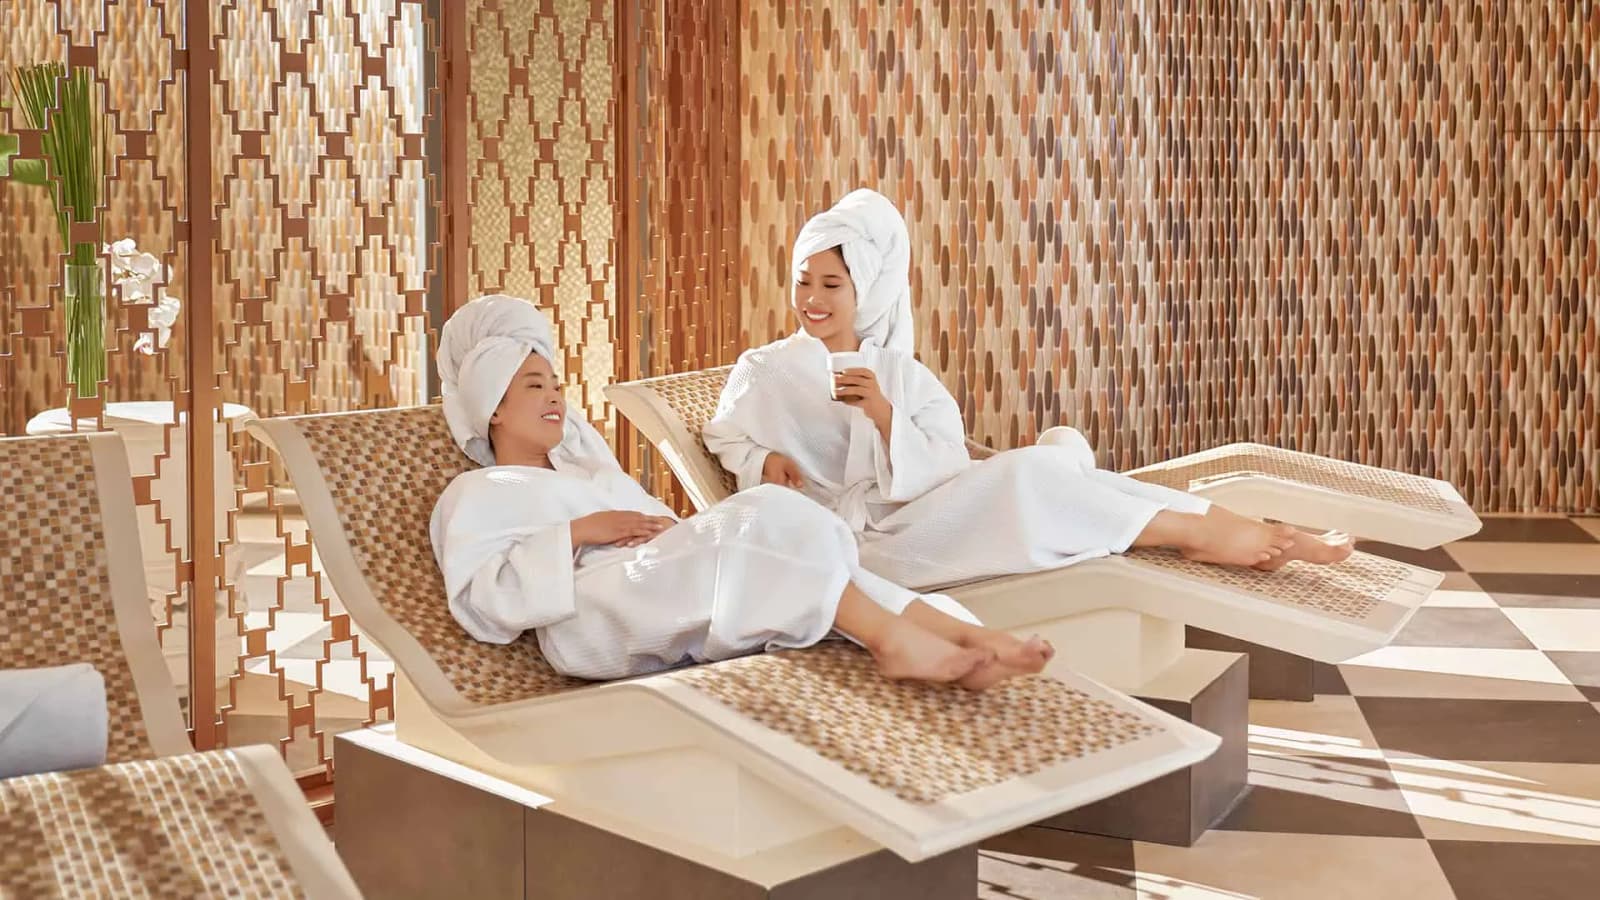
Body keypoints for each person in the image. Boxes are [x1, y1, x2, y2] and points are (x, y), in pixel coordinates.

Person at [702, 189, 1353, 591]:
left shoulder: (894, 370)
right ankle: (1201, 534)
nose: (812, 299)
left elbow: (947, 455)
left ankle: (1231, 530)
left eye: (831, 285)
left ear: (865, 291)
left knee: (1047, 473)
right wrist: (763, 460)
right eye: (804, 281)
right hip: (872, 545)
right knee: (1034, 474)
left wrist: (883, 412)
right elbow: (725, 435)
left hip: (924, 512)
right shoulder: (765, 369)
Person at [429, 294, 1051, 689]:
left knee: (799, 531)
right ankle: (894, 642)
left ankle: (964, 637)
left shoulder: (593, 476)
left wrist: (670, 535)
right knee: (759, 518)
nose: (555, 398)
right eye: (534, 386)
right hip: (589, 621)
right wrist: (580, 532)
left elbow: (664, 535)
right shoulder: (476, 493)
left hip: (653, 584)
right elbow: (483, 600)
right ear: (493, 409)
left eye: (556, 385)